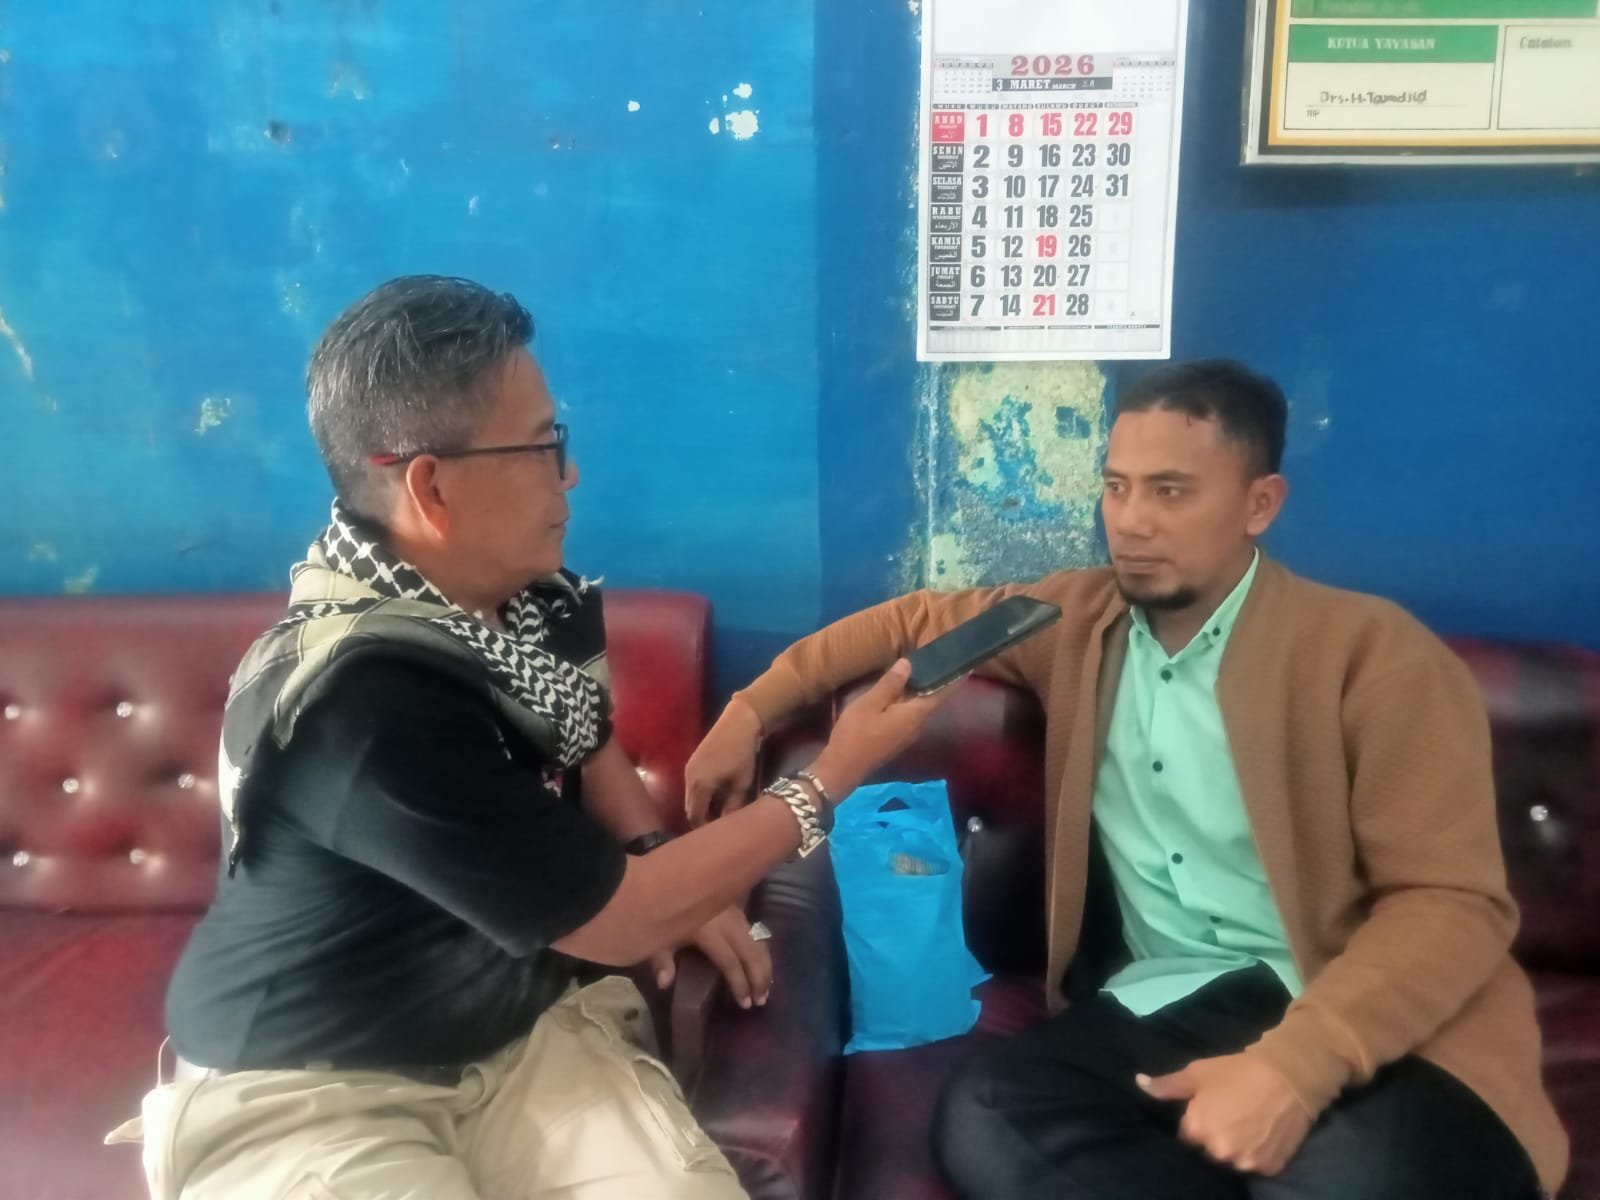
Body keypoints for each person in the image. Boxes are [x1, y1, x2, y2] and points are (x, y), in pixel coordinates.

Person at [106, 275, 954, 1200]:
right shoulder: (364, 700)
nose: (570, 473)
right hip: (320, 1079)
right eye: (546, 446)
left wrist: (658, 853)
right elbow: (624, 919)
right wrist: (829, 778)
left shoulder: (517, 607)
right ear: (432, 487)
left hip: (514, 1028)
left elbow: (587, 743)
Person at [687, 359, 1568, 1200]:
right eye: (1116, 487)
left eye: (1170, 492)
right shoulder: (1074, 623)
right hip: (1173, 997)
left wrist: (1295, 1069)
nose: (1131, 521)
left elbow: (1451, 905)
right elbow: (915, 621)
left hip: (1348, 993)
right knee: (991, 1117)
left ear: (1260, 504)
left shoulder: (1374, 657)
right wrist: (749, 710)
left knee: (1352, 1176)